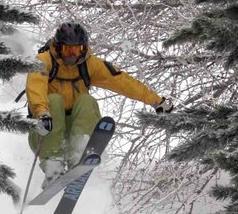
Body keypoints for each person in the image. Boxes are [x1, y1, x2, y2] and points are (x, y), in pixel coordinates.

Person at [26, 21, 174, 185]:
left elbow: (123, 82)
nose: (72, 55)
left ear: (84, 48)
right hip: (46, 131)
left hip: (74, 128)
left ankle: (79, 154)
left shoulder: (89, 65)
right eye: (67, 50)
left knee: (87, 101)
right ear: (58, 47)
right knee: (54, 100)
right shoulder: (44, 61)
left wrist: (156, 101)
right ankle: (53, 164)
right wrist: (42, 113)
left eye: (77, 50)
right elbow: (35, 86)